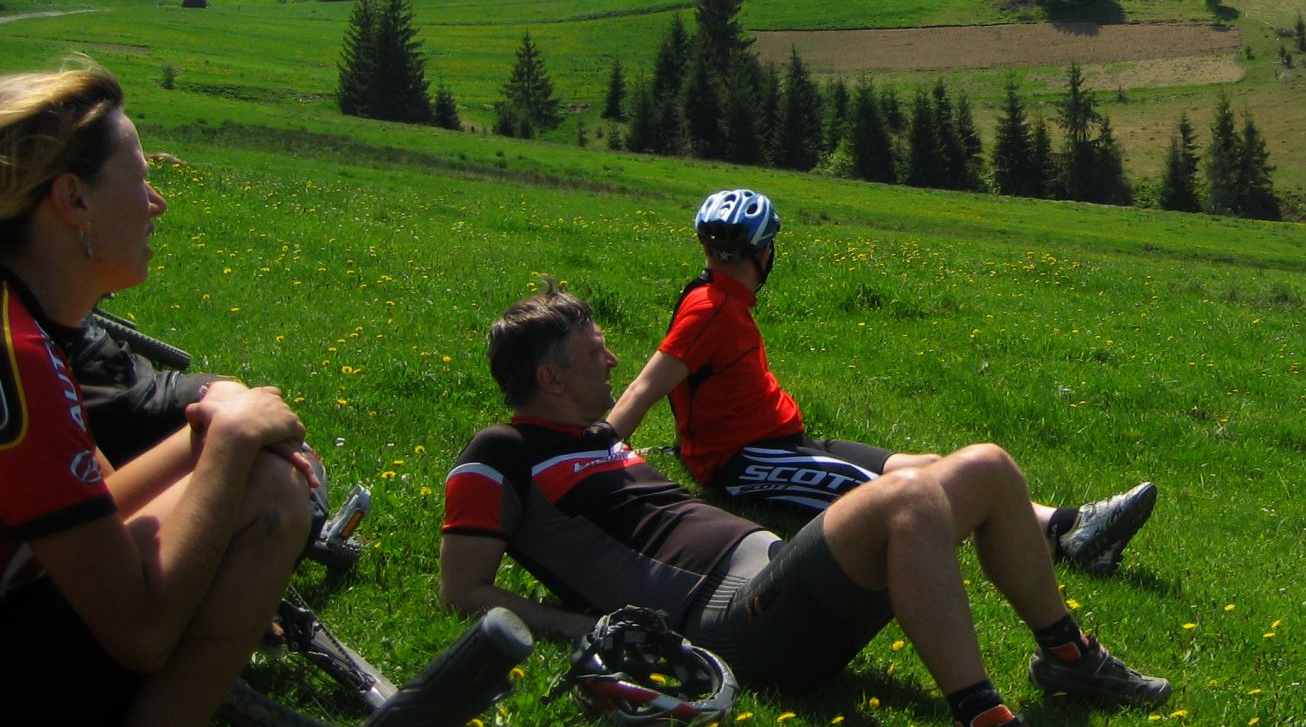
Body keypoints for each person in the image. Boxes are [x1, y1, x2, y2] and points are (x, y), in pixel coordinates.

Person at [441, 285, 1169, 727]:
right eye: (594, 351)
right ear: (550, 378)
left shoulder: (597, 439)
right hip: (723, 622)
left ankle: (1069, 657)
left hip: (775, 576)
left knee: (988, 467)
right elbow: (461, 589)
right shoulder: (500, 451)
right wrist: (584, 627)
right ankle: (981, 711)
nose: (610, 360)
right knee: (908, 494)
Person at [608, 188, 1156, 575]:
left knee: (924, 463)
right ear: (764, 252)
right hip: (747, 462)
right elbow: (644, 389)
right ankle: (1067, 537)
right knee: (910, 497)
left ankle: (1071, 527)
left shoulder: (718, 300)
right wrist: (589, 461)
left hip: (786, 441)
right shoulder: (711, 311)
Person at [0, 59, 315, 727]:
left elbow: (89, 508)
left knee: (253, 469)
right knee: (270, 488)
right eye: (140, 178)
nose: (158, 202)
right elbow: (138, 631)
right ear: (74, 201)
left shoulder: (22, 324)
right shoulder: (19, 357)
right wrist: (231, 441)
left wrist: (208, 427)